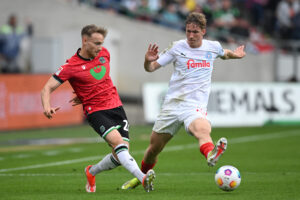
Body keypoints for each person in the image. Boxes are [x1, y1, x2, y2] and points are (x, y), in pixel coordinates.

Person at [121, 12, 246, 190]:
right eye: (188, 31)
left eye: (195, 32)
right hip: (172, 105)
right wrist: (147, 61)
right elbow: (151, 68)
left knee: (202, 129)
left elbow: (224, 53)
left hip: (194, 106)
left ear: (203, 31)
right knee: (153, 149)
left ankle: (211, 153)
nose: (191, 35)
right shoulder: (177, 47)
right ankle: (140, 178)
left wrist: (236, 54)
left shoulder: (213, 47)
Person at [40, 24, 155, 193]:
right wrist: (47, 106)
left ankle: (91, 171)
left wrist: (85, 92)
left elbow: (99, 79)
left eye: (101, 43)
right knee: (118, 143)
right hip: (96, 111)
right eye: (96, 43)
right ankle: (142, 177)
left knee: (120, 156)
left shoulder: (104, 54)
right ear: (85, 41)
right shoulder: (71, 66)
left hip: (116, 106)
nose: (100, 47)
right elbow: (46, 88)